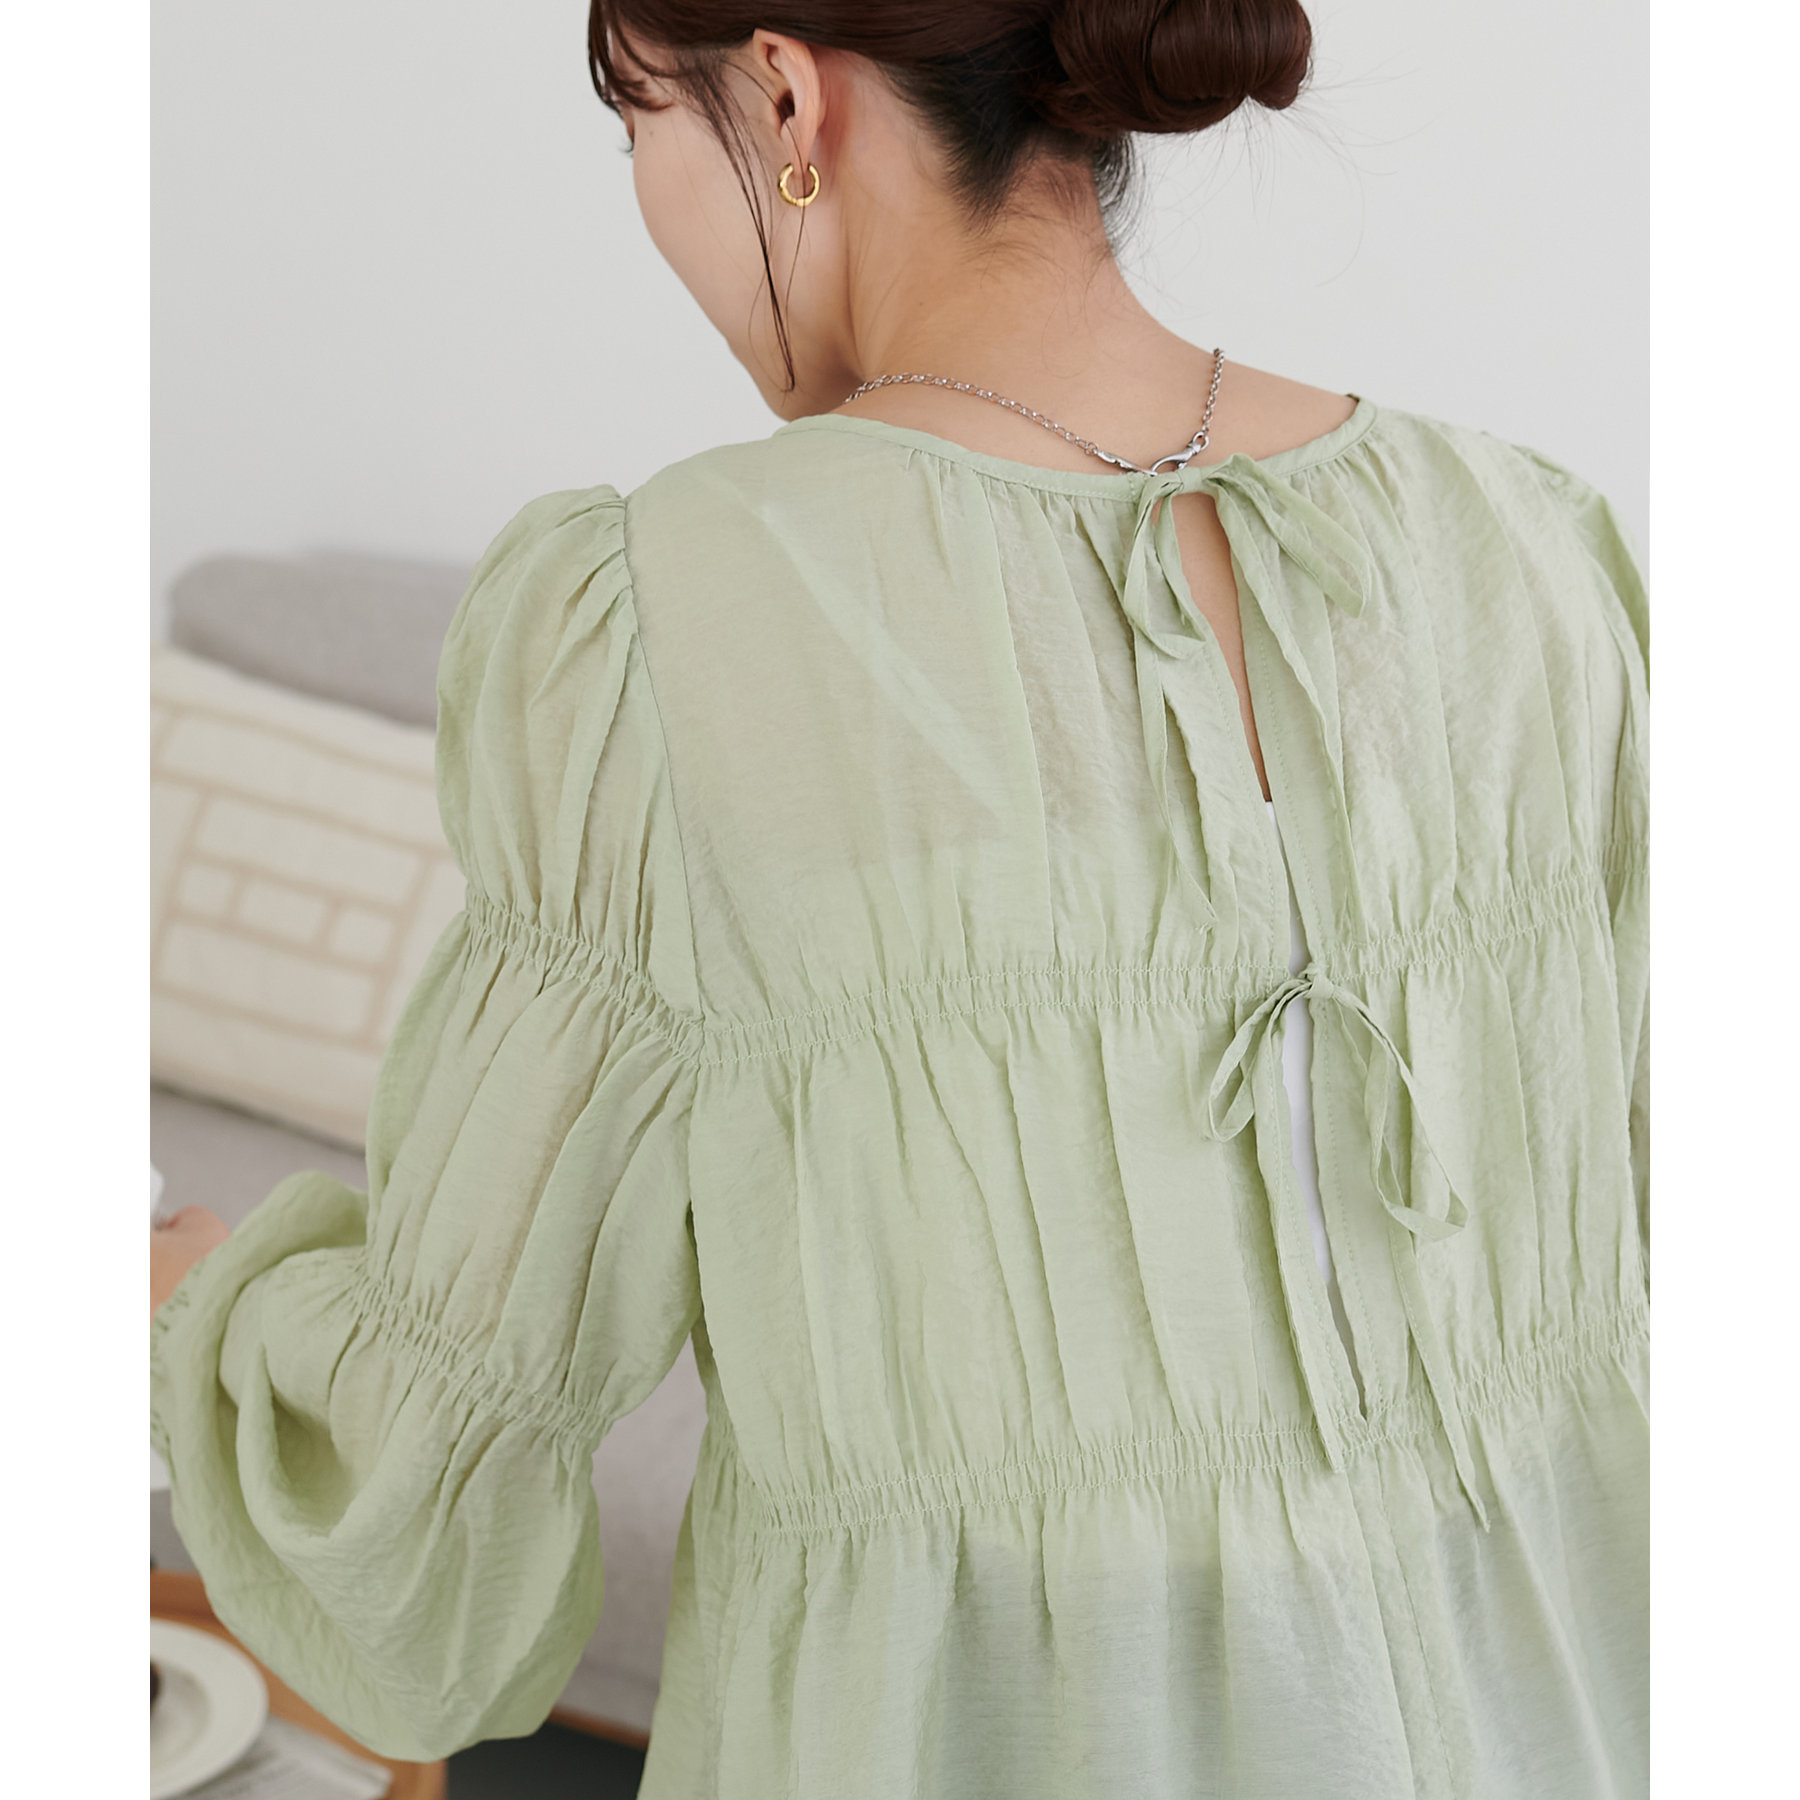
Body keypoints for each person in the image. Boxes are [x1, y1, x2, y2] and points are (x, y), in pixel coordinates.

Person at [150, 4, 1649, 1796]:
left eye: (639, 122)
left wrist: (195, 1306)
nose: (647, 195)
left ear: (787, 95)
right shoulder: (1524, 551)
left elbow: (429, 1503)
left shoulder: (666, 624)